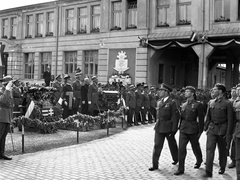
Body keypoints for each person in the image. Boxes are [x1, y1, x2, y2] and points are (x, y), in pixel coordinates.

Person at [203, 83, 234, 178]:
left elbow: (230, 120)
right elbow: (208, 117)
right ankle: (208, 171)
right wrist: (206, 128)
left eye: (215, 89)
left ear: (220, 91)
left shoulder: (228, 103)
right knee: (209, 150)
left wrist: (228, 134)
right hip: (212, 129)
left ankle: (222, 166)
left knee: (222, 151)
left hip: (222, 130)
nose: (212, 91)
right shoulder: (211, 102)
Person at [149, 83, 179, 171]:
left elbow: (175, 117)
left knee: (172, 144)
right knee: (157, 145)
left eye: (161, 90)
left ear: (166, 92)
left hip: (168, 128)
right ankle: (155, 164)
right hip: (159, 127)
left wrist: (174, 130)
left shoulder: (172, 103)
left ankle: (176, 158)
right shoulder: (159, 102)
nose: (159, 92)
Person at [174, 86, 204, 175]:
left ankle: (199, 159)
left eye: (187, 91)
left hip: (193, 129)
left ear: (192, 93)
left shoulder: (198, 105)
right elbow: (181, 118)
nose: (185, 93)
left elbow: (201, 119)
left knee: (195, 146)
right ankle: (181, 168)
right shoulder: (183, 104)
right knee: (181, 149)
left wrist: (200, 131)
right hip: (183, 128)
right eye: (185, 91)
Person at [0, 76, 14, 160]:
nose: (11, 86)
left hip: (7, 116)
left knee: (3, 136)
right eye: (10, 84)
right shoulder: (2, 91)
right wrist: (7, 89)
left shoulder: (8, 91)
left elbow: (10, 105)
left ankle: (2, 153)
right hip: (1, 116)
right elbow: (3, 100)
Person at [229, 86, 237, 169]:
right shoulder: (229, 102)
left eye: (235, 91)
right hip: (232, 124)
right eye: (232, 91)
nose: (233, 93)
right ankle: (233, 160)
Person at [233, 84, 240, 180]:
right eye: (237, 90)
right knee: (238, 157)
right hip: (238, 130)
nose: (238, 91)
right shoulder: (235, 102)